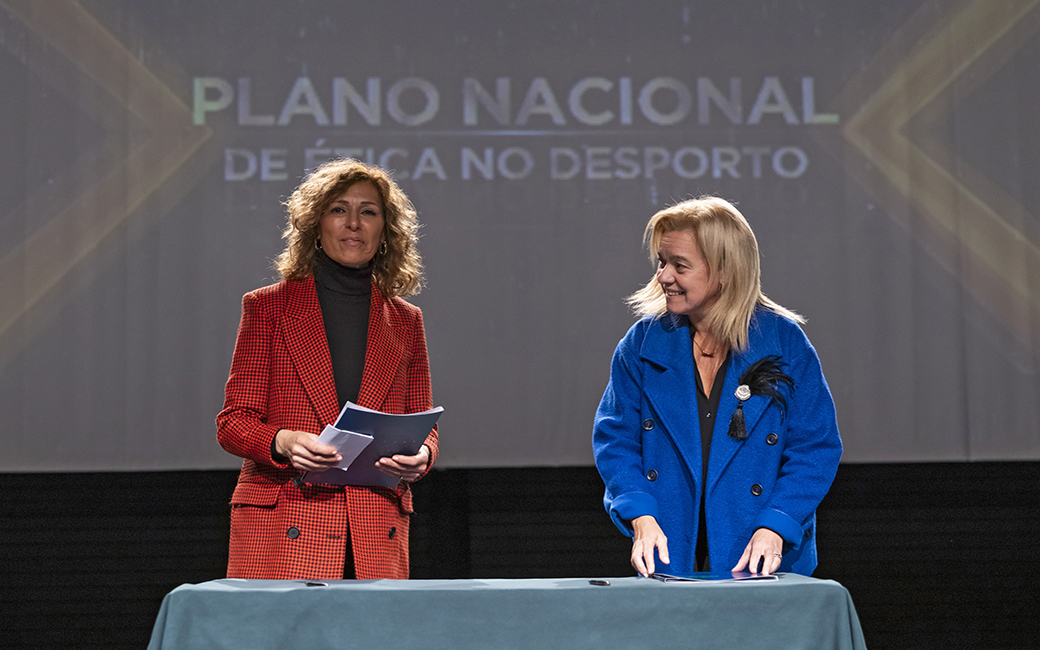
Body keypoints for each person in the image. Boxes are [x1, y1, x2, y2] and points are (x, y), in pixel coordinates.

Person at [593, 196, 842, 577]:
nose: (663, 277)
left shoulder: (785, 343)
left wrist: (777, 524)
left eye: (680, 265)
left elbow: (815, 449)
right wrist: (640, 514)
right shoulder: (641, 344)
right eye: (662, 263)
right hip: (669, 556)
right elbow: (616, 441)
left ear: (725, 270)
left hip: (761, 560)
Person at [217, 158, 437, 580]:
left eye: (368, 212)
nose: (353, 222)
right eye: (339, 209)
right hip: (286, 524)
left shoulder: (407, 320)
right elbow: (233, 423)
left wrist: (423, 456)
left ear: (385, 232)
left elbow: (423, 424)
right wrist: (283, 440)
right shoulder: (267, 307)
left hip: (374, 529)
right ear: (315, 225)